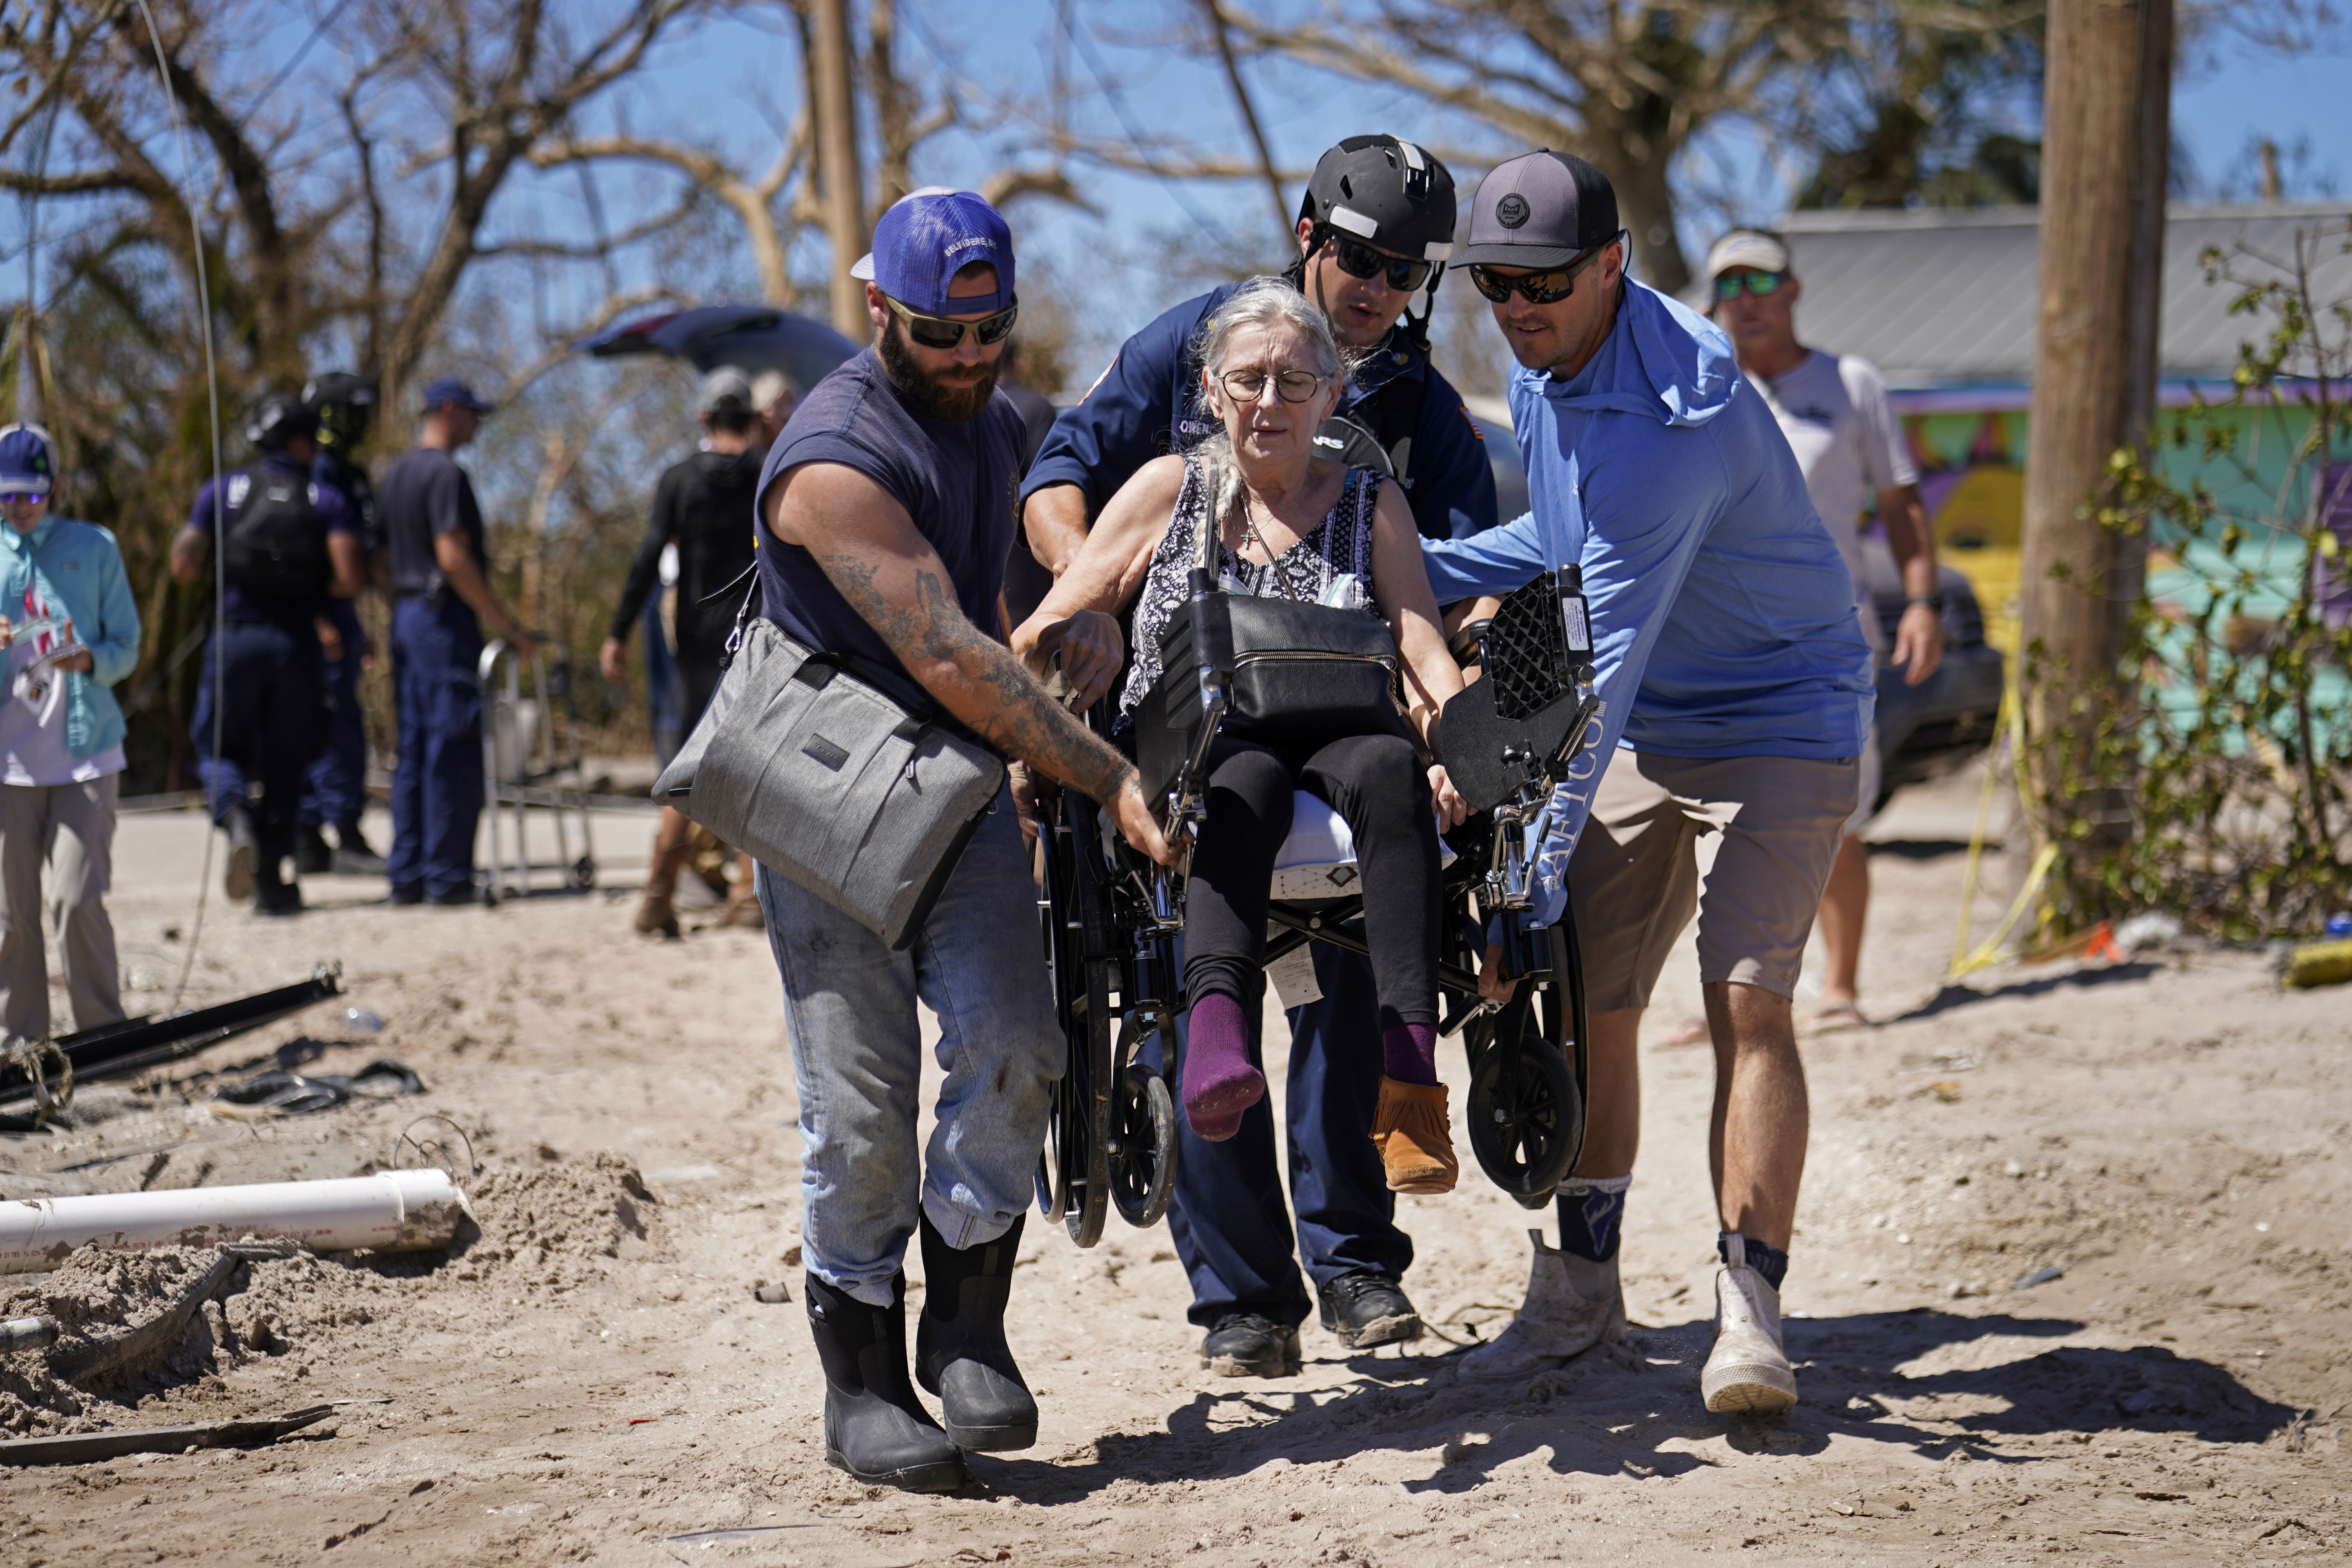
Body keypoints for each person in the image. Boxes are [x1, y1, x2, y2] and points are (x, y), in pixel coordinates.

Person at [1018, 133, 1499, 1377]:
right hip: (1195, 702)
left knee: (1349, 961)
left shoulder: (1414, 414)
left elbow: (1457, 589)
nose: (1378, 286)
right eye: (1359, 258)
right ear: (1308, 238)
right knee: (1196, 948)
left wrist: (1459, 698)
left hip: (1347, 708)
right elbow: (1060, 479)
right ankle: (1242, 1299)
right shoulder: (1196, 344)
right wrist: (1104, 610)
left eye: (1405, 272)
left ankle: (1353, 1266)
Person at [1414, 151, 1874, 1417]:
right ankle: (1580, 1305)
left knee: (1748, 1002)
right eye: (1492, 281)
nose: (1514, 304)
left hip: (1783, 715)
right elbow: (1569, 542)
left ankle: (1751, 1313)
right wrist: (1410, 554)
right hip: (1659, 713)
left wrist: (1527, 875)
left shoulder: (1681, 421)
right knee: (1590, 997)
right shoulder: (1552, 353)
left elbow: (1599, 658)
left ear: (1612, 264)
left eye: (1541, 281)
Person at [752, 189, 1171, 1492]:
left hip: (960, 782)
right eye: (944, 333)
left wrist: (1068, 626)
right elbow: (940, 644)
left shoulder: (994, 420)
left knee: (1016, 1043)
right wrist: (1100, 774)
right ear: (880, 309)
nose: (974, 356)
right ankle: (864, 1381)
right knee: (861, 1101)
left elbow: (991, 598)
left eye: (992, 329)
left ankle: (969, 1321)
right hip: (828, 787)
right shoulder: (831, 457)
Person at [1012, 275, 1469, 1189]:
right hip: (1211, 736)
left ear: (1331, 395)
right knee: (1240, 783)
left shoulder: (1372, 501)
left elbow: (1420, 642)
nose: (1271, 401)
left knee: (1388, 766)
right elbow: (1039, 634)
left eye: (1296, 382)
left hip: (1343, 720)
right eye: (1249, 380)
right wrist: (1088, 626)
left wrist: (1459, 743)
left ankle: (1412, 1079)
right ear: (1213, 393)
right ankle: (1219, 1034)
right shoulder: (1167, 489)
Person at [1703, 230, 1946, 1029]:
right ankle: (1725, 996)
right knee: (1713, 821)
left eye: (1762, 278)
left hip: (1829, 643)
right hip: (1719, 645)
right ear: (1712, 303)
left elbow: (1903, 504)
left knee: (1835, 818)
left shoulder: (1851, 384)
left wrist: (1922, 602)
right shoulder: (1699, 394)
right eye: (1730, 282)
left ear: (1794, 288)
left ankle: (1841, 989)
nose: (1747, 296)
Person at [172, 396, 367, 916]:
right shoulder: (325, 498)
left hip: (234, 638)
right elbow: (350, 578)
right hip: (295, 644)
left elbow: (184, 566)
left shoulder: (222, 490)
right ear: (302, 442)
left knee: (217, 746)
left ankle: (235, 818)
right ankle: (275, 882)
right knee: (288, 759)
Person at [601, 367, 765, 936]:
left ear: (702, 418)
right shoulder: (769, 472)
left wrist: (617, 632)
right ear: (752, 418)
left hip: (696, 642)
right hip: (756, 635)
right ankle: (747, 891)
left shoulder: (678, 479)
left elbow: (648, 559)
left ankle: (658, 893)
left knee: (692, 763)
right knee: (753, 760)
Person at [0, 425, 139, 1039]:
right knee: (12, 919)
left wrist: (91, 660)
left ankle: (104, 1038)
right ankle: (20, 1045)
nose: (20, 507)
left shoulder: (97, 546)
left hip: (86, 756)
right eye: (7, 495)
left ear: (54, 486)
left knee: (77, 900)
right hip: (8, 767)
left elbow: (127, 645)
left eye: (31, 494)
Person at [378, 377, 532, 907]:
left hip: (405, 615)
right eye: (472, 413)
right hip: (442, 621)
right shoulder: (445, 474)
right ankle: (446, 877)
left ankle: (408, 875)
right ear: (448, 411)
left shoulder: (395, 474)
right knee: (453, 746)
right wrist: (505, 624)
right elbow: (452, 555)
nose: (478, 423)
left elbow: (378, 560)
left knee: (414, 749)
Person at [296, 372, 387, 877]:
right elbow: (305, 557)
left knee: (330, 722)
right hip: (319, 618)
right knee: (333, 728)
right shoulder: (317, 476)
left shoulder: (346, 475)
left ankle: (314, 834)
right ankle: (334, 831)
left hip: (341, 616)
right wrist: (321, 617)